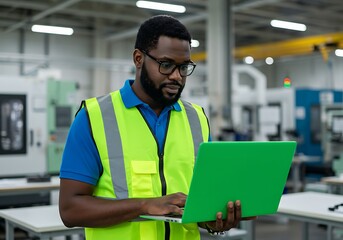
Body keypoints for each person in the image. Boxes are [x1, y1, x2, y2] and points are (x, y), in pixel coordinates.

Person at [59, 15, 250, 240]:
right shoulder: (94, 117)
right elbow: (70, 209)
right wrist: (144, 205)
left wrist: (212, 220)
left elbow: (196, 200)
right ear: (138, 59)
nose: (177, 76)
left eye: (184, 67)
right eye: (166, 65)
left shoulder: (197, 118)